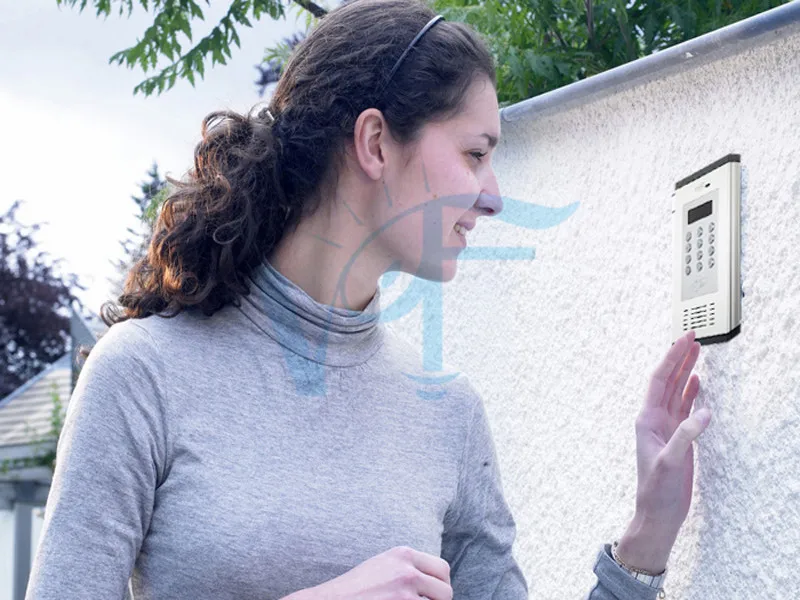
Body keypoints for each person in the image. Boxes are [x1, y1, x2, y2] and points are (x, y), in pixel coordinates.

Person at [25, 0, 711, 598]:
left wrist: (646, 540)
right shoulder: (143, 375)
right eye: (475, 154)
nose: (494, 196)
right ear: (376, 143)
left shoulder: (450, 412)